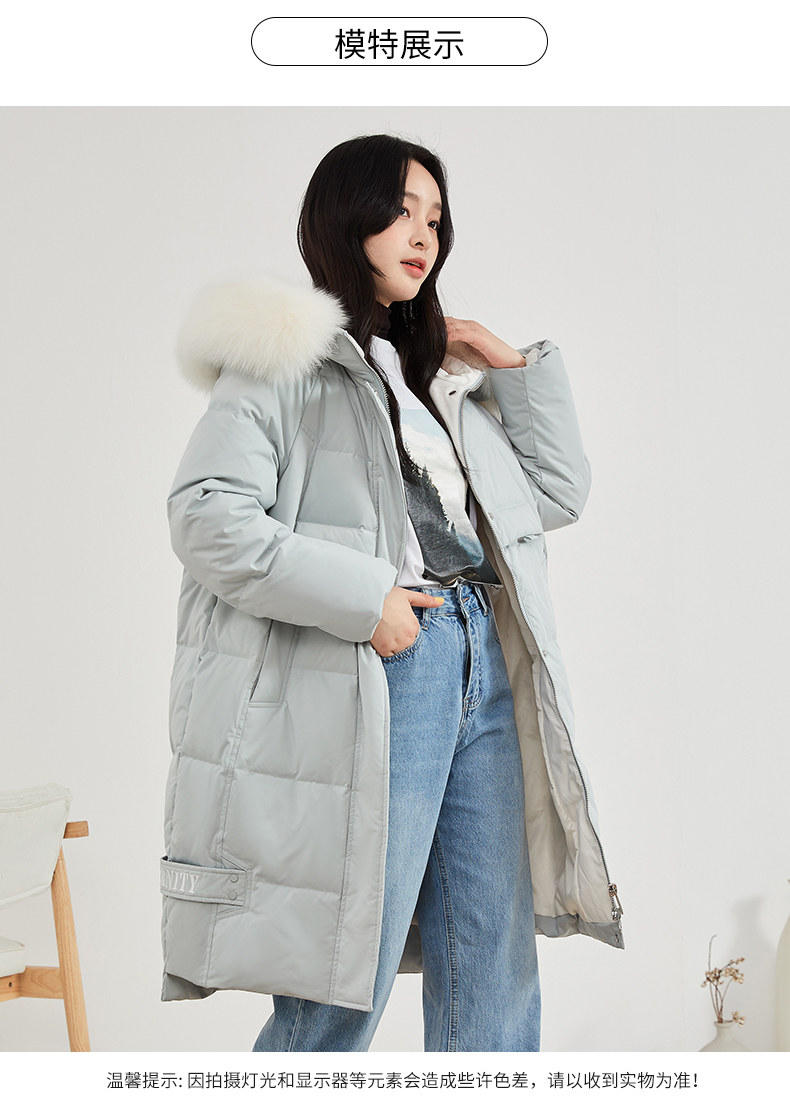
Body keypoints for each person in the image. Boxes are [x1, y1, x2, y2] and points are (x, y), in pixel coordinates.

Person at [161, 134, 623, 1053]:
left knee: (492, 957)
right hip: (383, 668)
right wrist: (367, 598)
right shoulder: (283, 362)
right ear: (348, 215)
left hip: (478, 657)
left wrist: (508, 365)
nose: (423, 236)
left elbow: (553, 496)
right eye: (402, 211)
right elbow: (206, 515)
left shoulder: (436, 381)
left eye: (436, 220)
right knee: (345, 970)